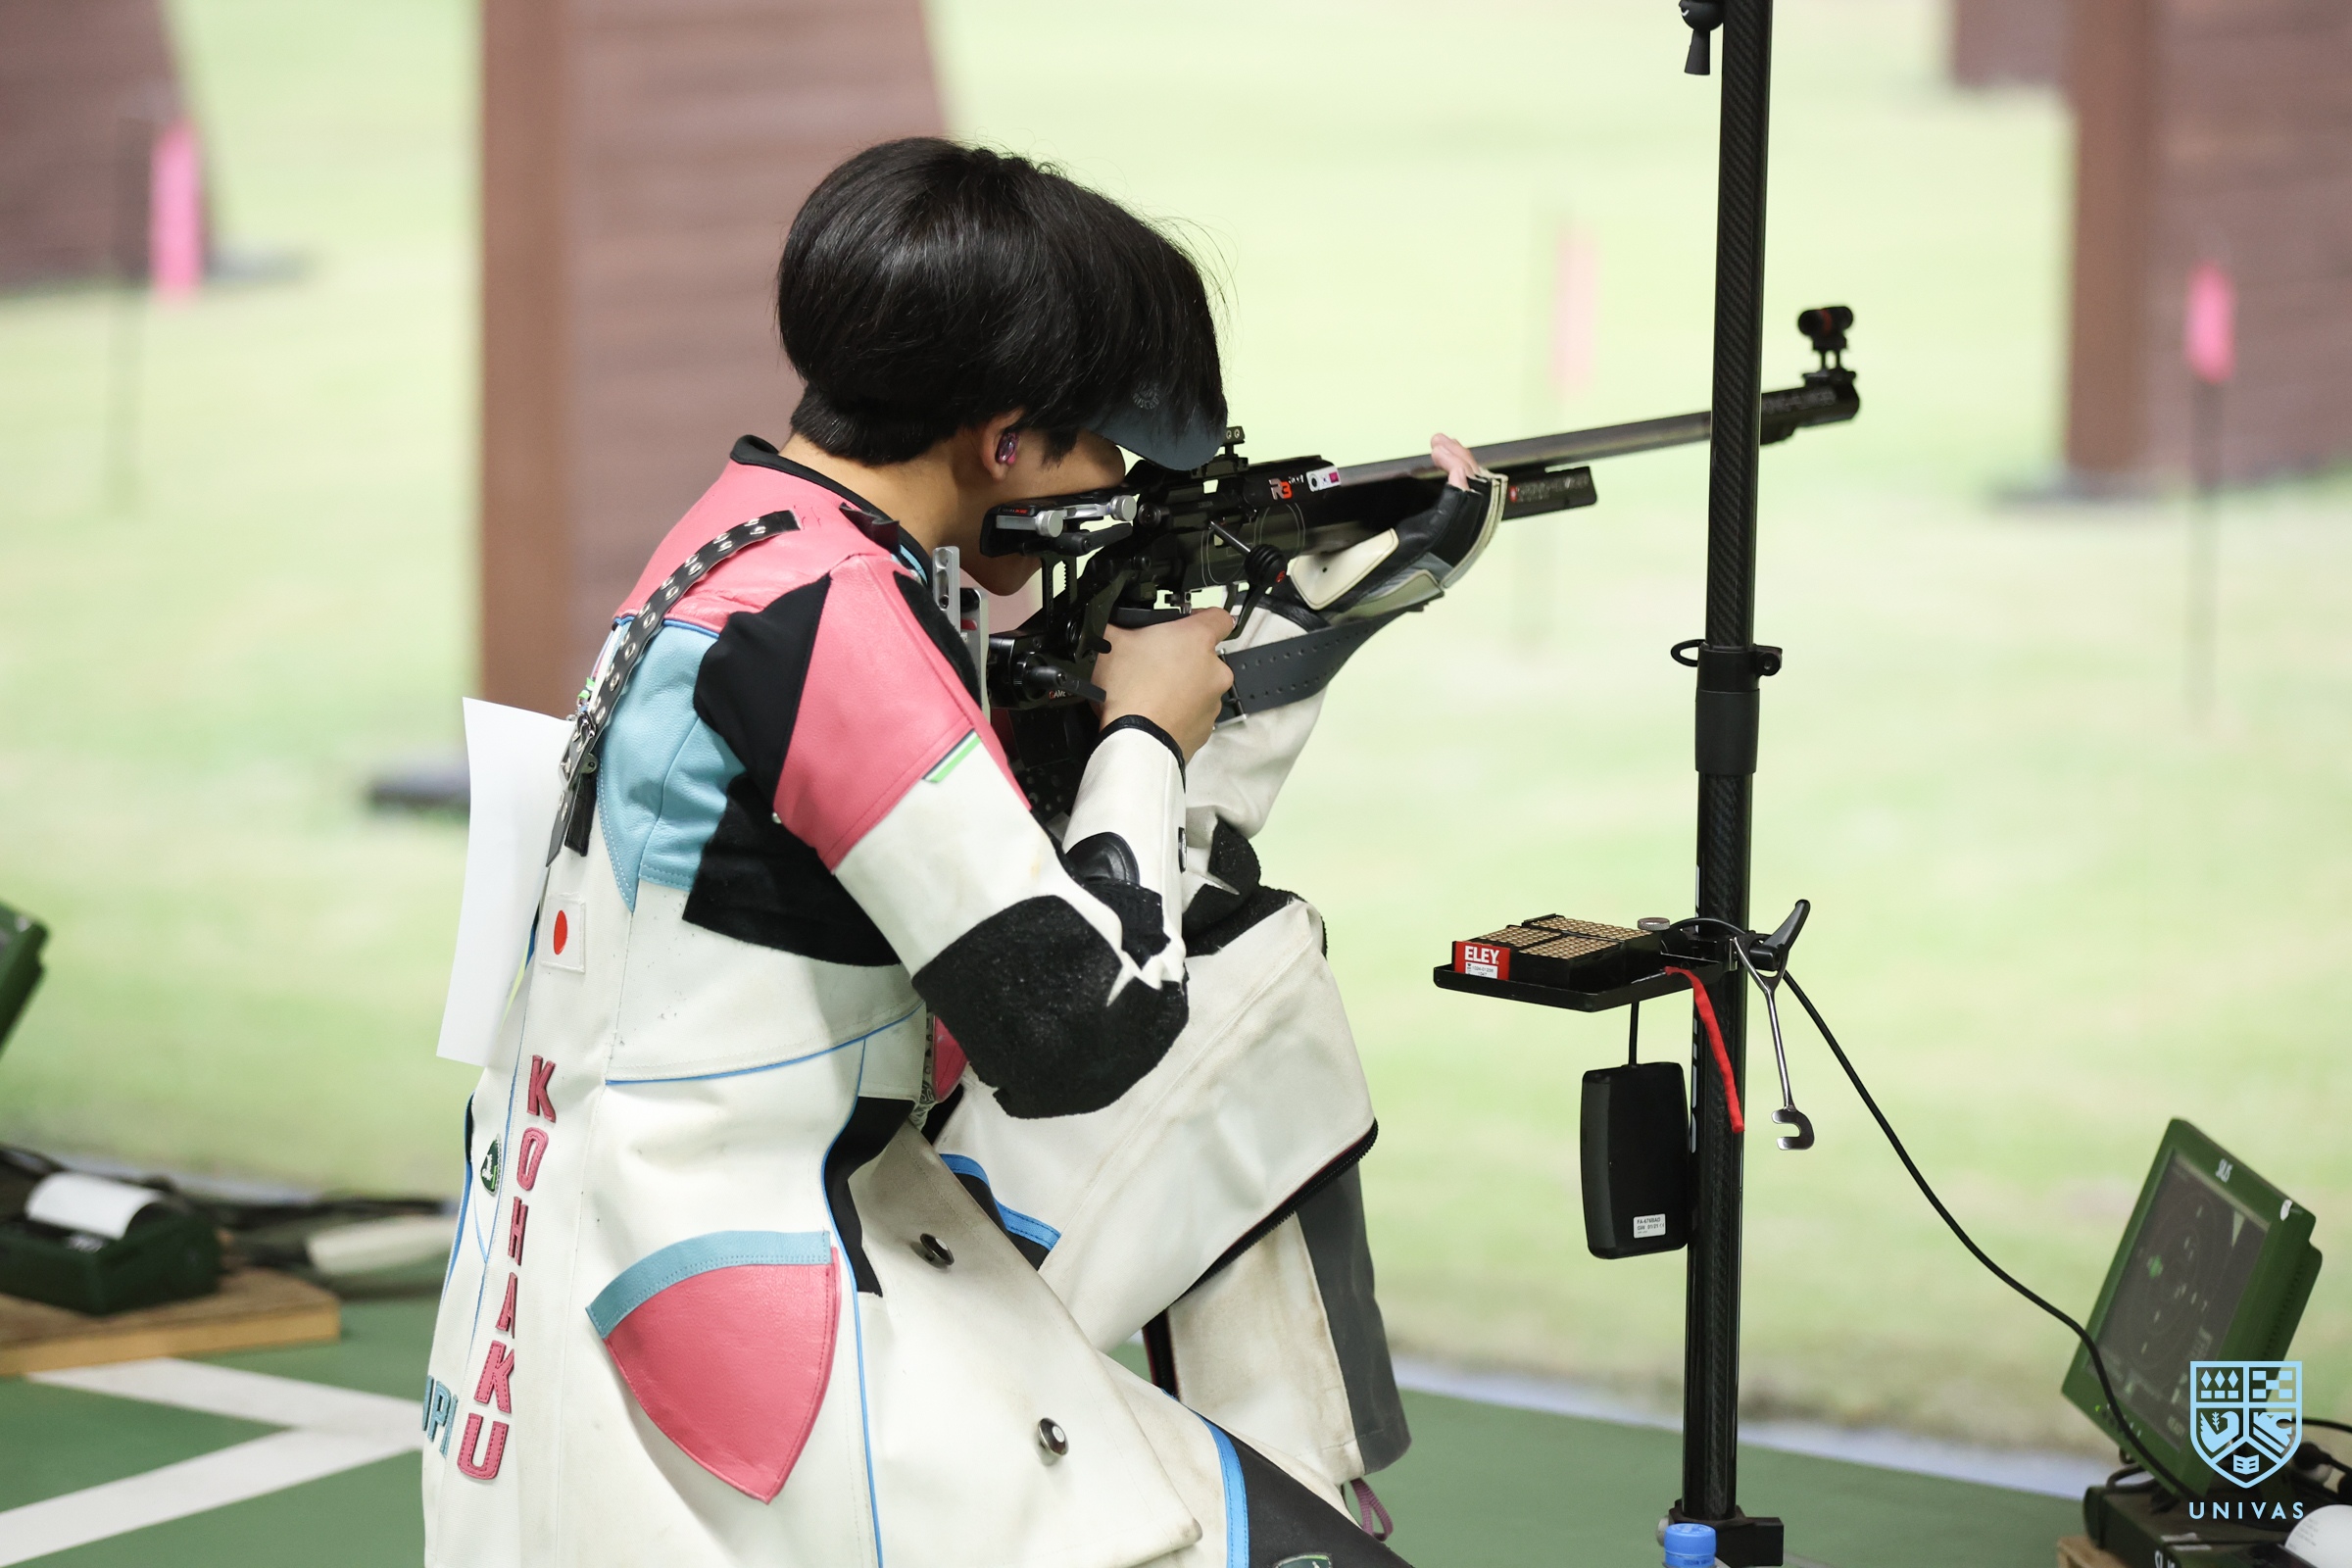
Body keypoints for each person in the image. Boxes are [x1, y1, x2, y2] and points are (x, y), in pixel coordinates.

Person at [420, 137, 1497, 1568]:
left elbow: (1038, 868)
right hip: (761, 1346)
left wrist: (1307, 620)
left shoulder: (753, 543)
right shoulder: (834, 625)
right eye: (1104, 445)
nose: (1118, 480)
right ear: (1006, 445)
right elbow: (1082, 1025)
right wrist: (1144, 728)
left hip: (634, 1283)